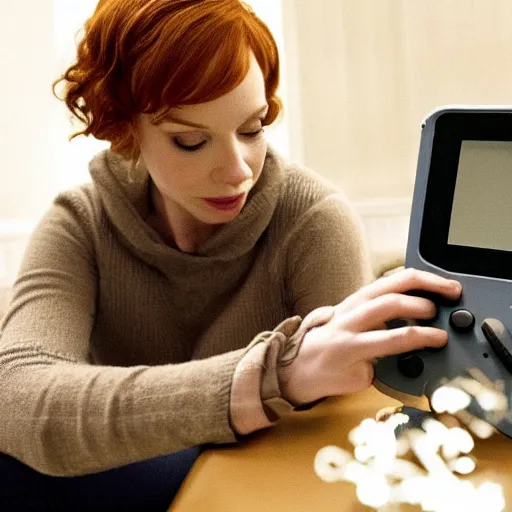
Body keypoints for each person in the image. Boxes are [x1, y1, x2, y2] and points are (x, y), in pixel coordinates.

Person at [0, 0, 462, 510]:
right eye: (191, 141)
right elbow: (16, 400)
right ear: (126, 129)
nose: (238, 170)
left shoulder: (314, 220)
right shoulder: (80, 222)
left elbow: (343, 431)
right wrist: (273, 374)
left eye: (252, 128)